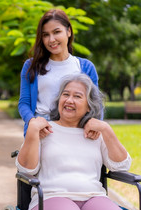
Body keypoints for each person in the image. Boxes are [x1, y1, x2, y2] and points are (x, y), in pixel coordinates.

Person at [16, 74, 137, 210]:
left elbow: (122, 165)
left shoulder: (96, 133)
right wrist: (32, 131)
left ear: (89, 106)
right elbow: (25, 169)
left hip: (93, 197)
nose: (69, 100)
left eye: (77, 96)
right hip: (51, 197)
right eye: (65, 94)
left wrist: (106, 129)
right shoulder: (43, 130)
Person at [18, 8, 99, 138]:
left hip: (76, 129)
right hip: (42, 130)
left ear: (68, 31)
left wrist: (95, 125)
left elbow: (95, 104)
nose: (51, 39)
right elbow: (24, 103)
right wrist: (34, 123)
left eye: (56, 32)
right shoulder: (31, 66)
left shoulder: (85, 67)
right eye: (45, 35)